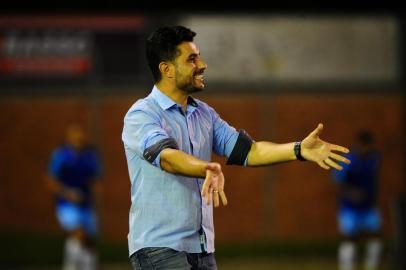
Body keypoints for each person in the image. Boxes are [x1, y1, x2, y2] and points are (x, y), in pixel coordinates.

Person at [121, 25, 350, 270]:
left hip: (202, 250)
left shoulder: (204, 114)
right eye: (192, 59)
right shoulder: (142, 114)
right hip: (159, 249)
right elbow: (166, 157)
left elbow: (249, 151)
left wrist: (298, 150)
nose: (202, 64)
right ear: (166, 69)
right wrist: (205, 167)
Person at [46, 124, 102, 270]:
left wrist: (94, 193)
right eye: (75, 138)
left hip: (86, 203)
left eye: (80, 138)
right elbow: (51, 180)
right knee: (79, 232)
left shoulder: (90, 156)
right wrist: (67, 193)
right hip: (66, 203)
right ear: (69, 139)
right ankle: (70, 266)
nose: (78, 141)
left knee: (89, 240)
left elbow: (96, 177)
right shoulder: (61, 155)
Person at [332, 130, 382, 270]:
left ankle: (371, 266)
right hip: (350, 208)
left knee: (375, 236)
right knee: (349, 238)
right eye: (364, 145)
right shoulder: (348, 160)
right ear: (358, 145)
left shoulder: (375, 158)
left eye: (369, 145)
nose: (366, 149)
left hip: (368, 206)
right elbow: (337, 182)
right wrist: (351, 193)